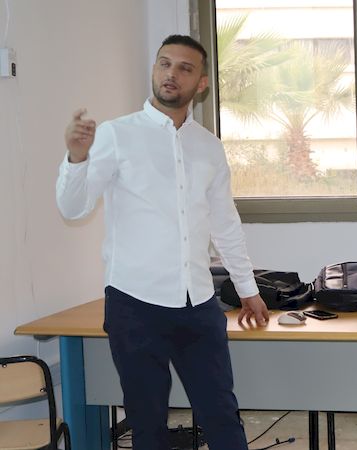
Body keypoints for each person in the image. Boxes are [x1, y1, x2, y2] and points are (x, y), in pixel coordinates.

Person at [56, 35, 269, 450]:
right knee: (148, 425)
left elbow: (225, 223)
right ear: (154, 69)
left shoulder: (209, 147)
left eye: (184, 68)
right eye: (164, 64)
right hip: (135, 304)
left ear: (201, 84)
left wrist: (248, 289)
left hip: (199, 304)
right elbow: (74, 208)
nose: (171, 74)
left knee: (222, 416)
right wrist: (76, 158)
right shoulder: (117, 135)